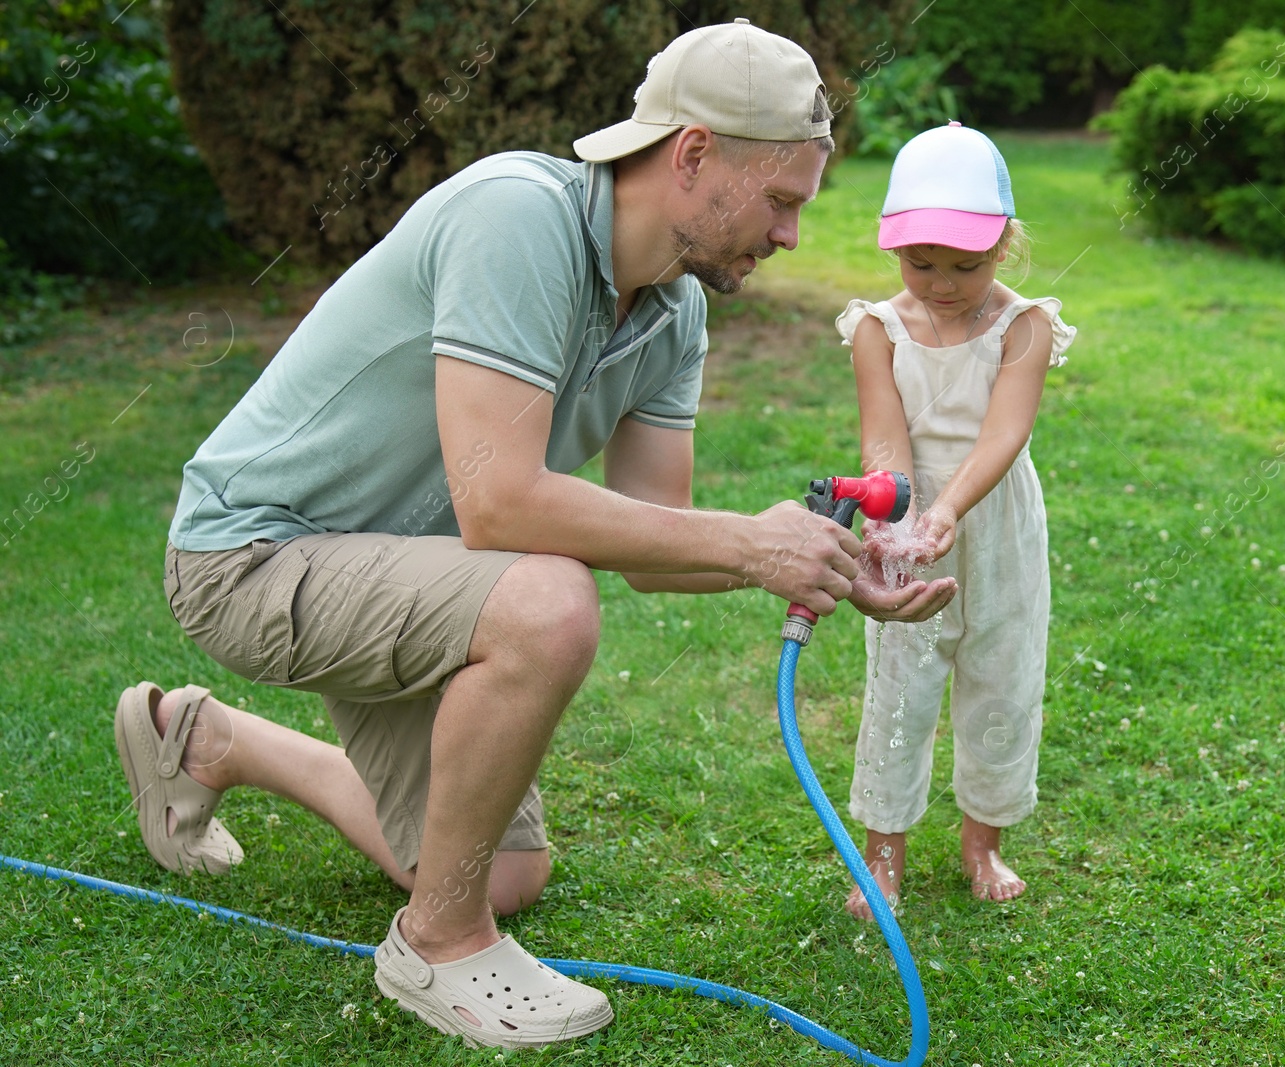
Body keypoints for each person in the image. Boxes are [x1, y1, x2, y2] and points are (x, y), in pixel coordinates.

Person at [113, 20, 954, 1051]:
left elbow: (661, 541)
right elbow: (499, 504)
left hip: (407, 571)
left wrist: (821, 556)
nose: (788, 235)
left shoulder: (675, 312)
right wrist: (746, 543)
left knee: (504, 871)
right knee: (547, 598)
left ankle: (207, 740)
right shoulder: (517, 216)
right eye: (781, 200)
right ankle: (435, 946)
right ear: (691, 154)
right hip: (250, 554)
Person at [835, 122, 1075, 920]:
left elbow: (1005, 434)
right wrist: (895, 504)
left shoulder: (1026, 325)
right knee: (900, 680)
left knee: (1001, 672)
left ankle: (984, 841)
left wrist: (950, 507)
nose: (941, 283)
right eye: (920, 263)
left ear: (1003, 244)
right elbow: (884, 433)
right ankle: (883, 855)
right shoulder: (878, 327)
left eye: (964, 265)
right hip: (912, 519)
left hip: (995, 516)